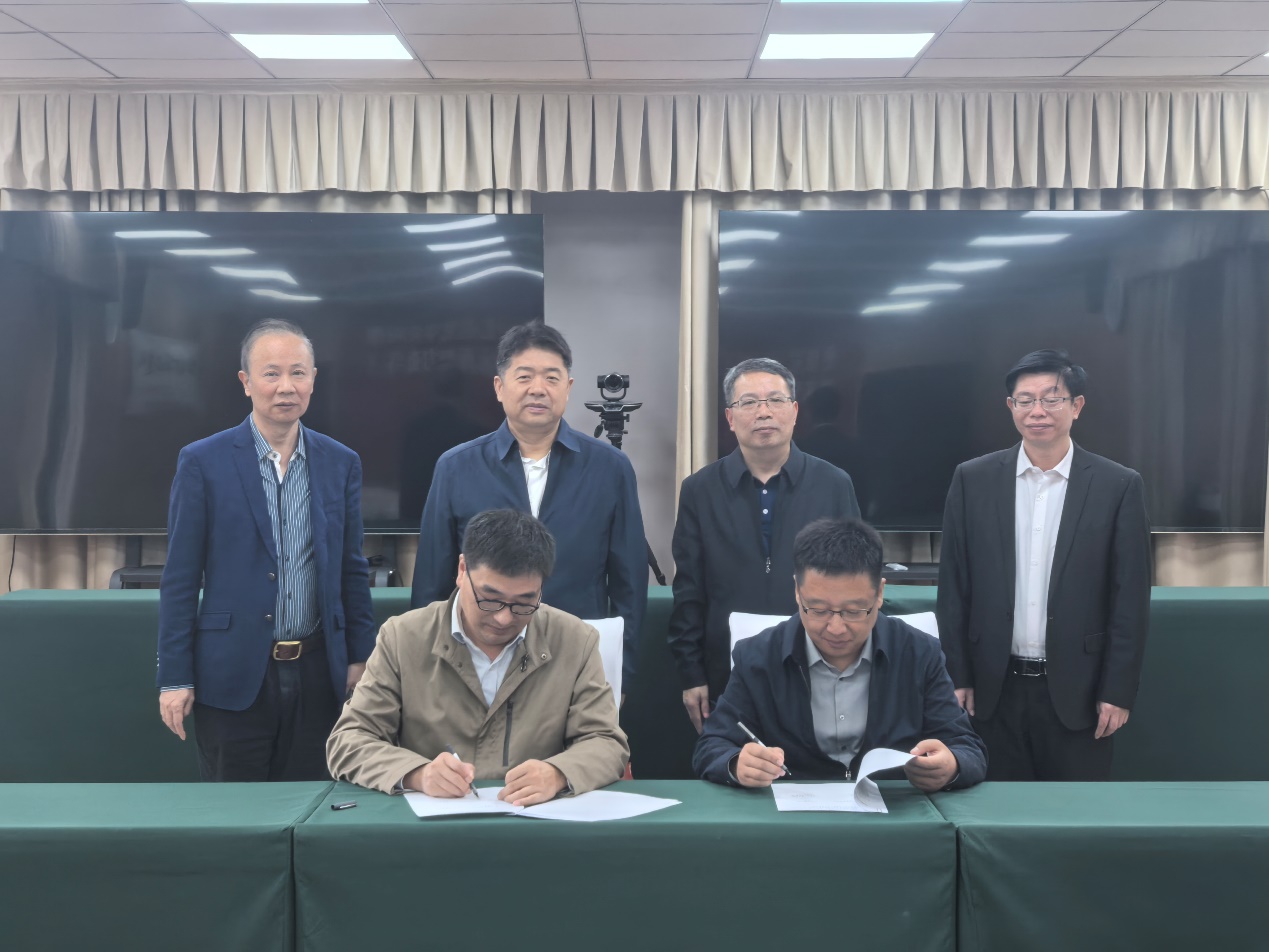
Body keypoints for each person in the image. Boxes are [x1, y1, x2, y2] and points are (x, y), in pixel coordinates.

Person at [157, 319, 375, 781]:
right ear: (246, 382)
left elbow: (352, 569)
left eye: (298, 372)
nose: (286, 386)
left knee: (311, 804)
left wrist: (359, 657)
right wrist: (175, 677)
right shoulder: (202, 461)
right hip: (232, 673)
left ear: (314, 379)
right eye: (271, 373)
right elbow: (180, 579)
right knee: (237, 811)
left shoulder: (341, 462)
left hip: (319, 672)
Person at [937, 349, 1151, 781]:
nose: (1038, 410)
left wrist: (1117, 690)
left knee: (1074, 814)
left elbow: (1129, 598)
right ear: (1010, 406)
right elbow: (954, 586)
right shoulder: (972, 479)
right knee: (994, 811)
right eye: (1025, 399)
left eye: (1052, 399)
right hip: (992, 689)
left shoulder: (1117, 485)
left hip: (1080, 692)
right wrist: (958, 676)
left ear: (1077, 406)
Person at [410, 322, 647, 695]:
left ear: (568, 388)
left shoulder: (610, 469)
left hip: (576, 664)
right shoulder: (456, 467)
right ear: (499, 387)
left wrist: (620, 673)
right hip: (477, 663)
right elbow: (432, 583)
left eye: (552, 378)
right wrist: (430, 673)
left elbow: (629, 585)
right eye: (524, 376)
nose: (538, 388)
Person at [330, 509, 629, 802]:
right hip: (435, 822)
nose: (503, 618)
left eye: (524, 603)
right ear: (462, 570)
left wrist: (558, 773)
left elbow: (606, 742)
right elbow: (349, 740)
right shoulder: (403, 637)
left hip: (536, 820)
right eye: (490, 599)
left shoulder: (575, 640)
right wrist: (417, 774)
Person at [694, 518, 985, 790]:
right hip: (792, 813)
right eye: (818, 610)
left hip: (892, 811)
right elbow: (712, 746)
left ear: (879, 593)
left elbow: (967, 747)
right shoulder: (757, 656)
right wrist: (737, 764)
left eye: (853, 611)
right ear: (797, 591)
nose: (835, 628)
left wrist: (951, 765)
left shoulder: (919, 653)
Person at [669, 358, 860, 732]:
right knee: (736, 762)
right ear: (730, 417)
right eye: (749, 402)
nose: (764, 412)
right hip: (726, 670)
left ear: (794, 411)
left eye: (775, 400)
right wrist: (691, 674)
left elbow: (855, 581)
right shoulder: (699, 490)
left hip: (819, 663)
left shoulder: (834, 484)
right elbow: (689, 590)